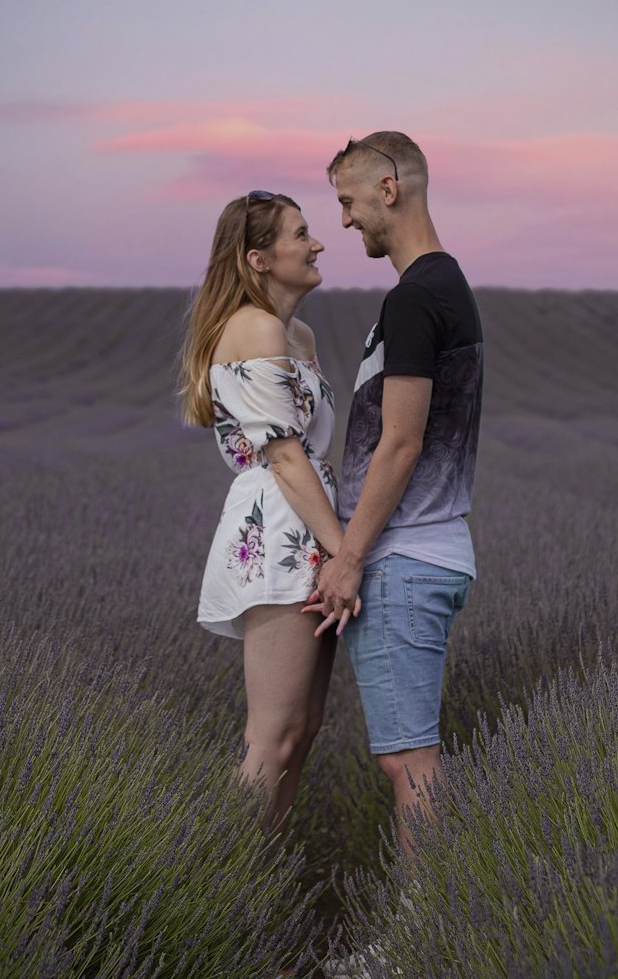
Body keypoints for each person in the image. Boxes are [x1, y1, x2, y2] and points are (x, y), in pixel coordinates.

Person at [304, 132, 483, 849]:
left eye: (347, 201)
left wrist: (347, 558)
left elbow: (401, 442)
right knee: (407, 759)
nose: (343, 222)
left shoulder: (416, 298)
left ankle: (416, 945)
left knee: (410, 763)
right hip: (428, 554)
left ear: (389, 188)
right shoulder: (444, 286)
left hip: (404, 558)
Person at [179, 190, 353, 829]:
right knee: (272, 737)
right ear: (258, 257)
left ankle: (259, 886)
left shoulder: (295, 333)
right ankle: (213, 891)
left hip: (307, 522)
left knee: (300, 734)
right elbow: (283, 456)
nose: (318, 243)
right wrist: (344, 552)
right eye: (302, 233)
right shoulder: (253, 327)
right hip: (281, 528)